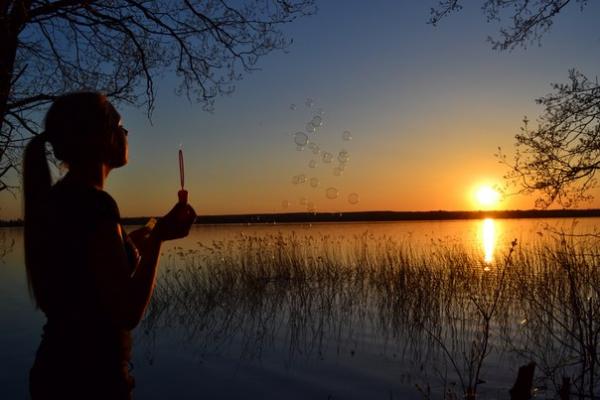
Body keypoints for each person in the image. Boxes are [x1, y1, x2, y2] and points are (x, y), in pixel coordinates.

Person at [22, 92, 197, 399]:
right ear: (100, 136)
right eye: (120, 125)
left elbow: (86, 274)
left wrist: (138, 237)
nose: (126, 133)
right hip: (91, 379)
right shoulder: (95, 204)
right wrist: (157, 240)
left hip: (58, 370)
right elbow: (127, 312)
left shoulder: (61, 200)